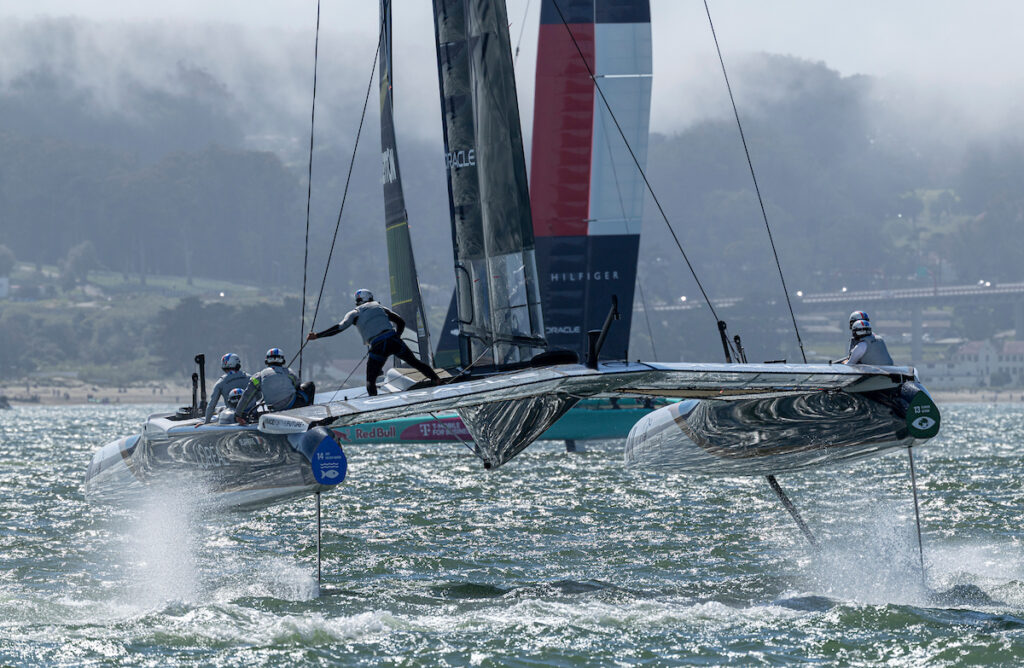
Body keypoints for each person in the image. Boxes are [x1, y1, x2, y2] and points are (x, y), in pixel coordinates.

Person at [306, 289, 441, 396]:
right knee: (416, 363)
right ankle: (437, 380)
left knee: (370, 380)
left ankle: (373, 402)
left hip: (378, 346)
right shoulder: (379, 307)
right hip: (393, 339)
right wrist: (396, 337)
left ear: (357, 301)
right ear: (370, 298)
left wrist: (317, 335)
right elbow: (400, 321)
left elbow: (339, 328)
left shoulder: (354, 313)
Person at [234, 348, 313, 422]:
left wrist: (238, 414)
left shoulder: (258, 376)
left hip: (274, 409)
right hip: (292, 406)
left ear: (266, 361)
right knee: (310, 385)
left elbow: (247, 395)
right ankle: (309, 417)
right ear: (283, 360)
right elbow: (297, 385)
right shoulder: (289, 372)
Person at [204, 352, 249, 423]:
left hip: (231, 418)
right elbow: (259, 396)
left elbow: (212, 405)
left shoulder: (220, 383)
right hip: (251, 415)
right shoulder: (251, 378)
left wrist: (206, 422)